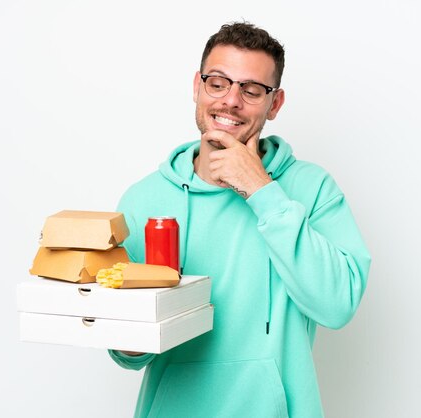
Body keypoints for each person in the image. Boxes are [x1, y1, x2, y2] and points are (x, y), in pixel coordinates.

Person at [109, 21, 371, 418]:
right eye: (218, 83)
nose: (231, 101)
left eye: (251, 90)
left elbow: (337, 306)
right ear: (197, 86)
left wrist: (263, 191)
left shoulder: (312, 188)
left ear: (275, 103)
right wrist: (128, 335)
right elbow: (127, 352)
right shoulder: (145, 198)